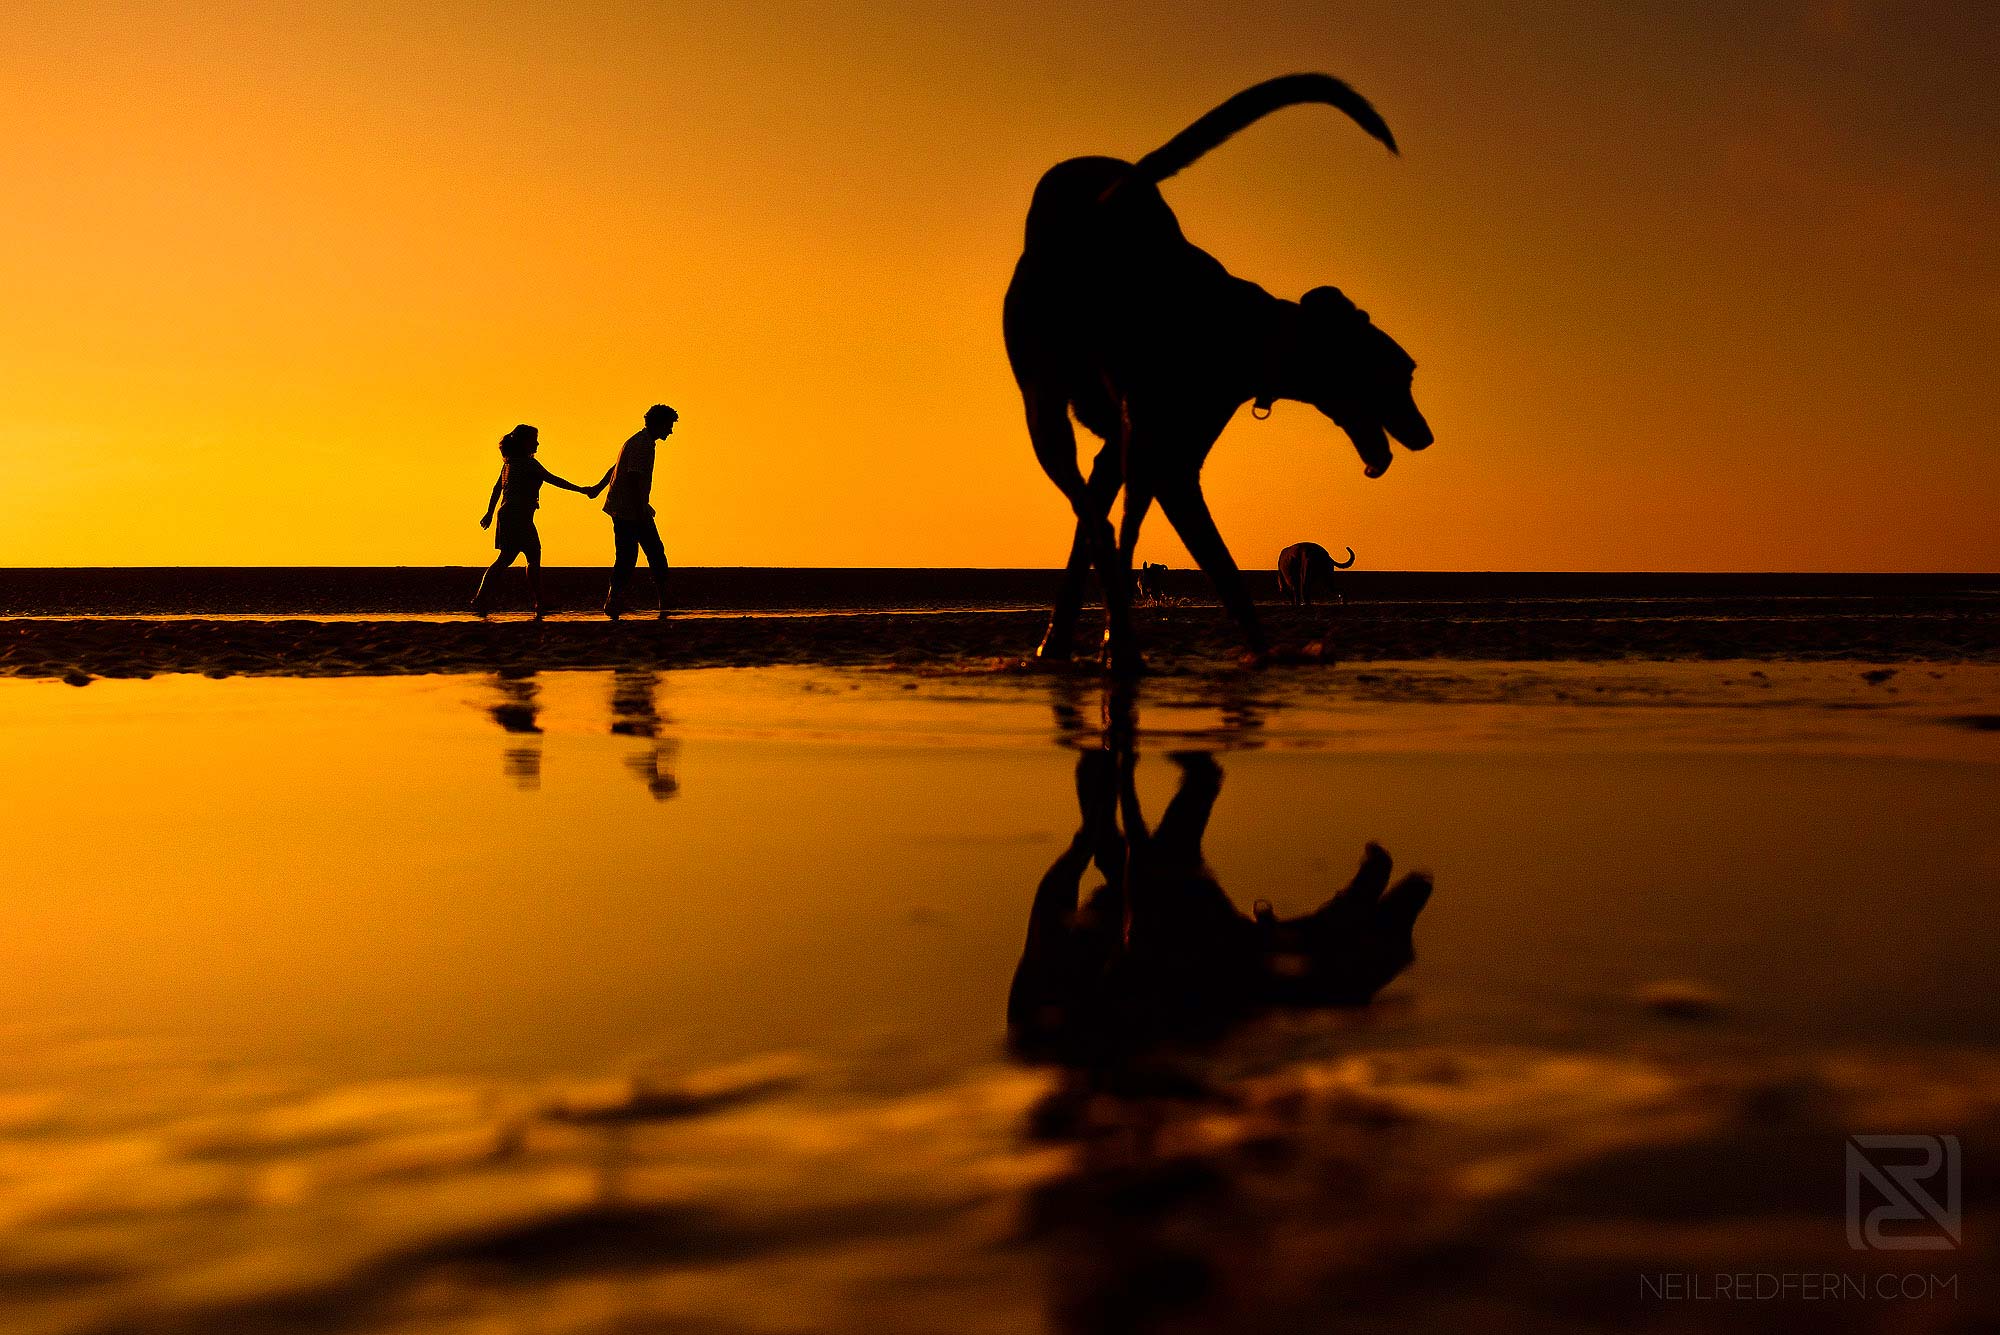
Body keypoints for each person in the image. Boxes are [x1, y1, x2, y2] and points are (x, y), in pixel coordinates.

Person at [472, 425, 603, 619]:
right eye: (534, 440)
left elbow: (496, 490)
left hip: (509, 514)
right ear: (525, 443)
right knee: (523, 557)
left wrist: (490, 513)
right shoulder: (528, 464)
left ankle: (487, 599)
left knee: (515, 557)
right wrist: (582, 490)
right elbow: (553, 479)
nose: (538, 443)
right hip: (518, 516)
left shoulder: (509, 464)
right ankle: (537, 602)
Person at [593, 404, 677, 620]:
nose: (670, 431)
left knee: (631, 555)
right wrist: (642, 509)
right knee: (650, 553)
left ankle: (616, 600)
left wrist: (598, 488)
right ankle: (661, 600)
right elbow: (633, 477)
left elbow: (616, 467)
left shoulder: (638, 441)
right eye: (669, 425)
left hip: (625, 508)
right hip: (629, 510)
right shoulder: (643, 445)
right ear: (659, 424)